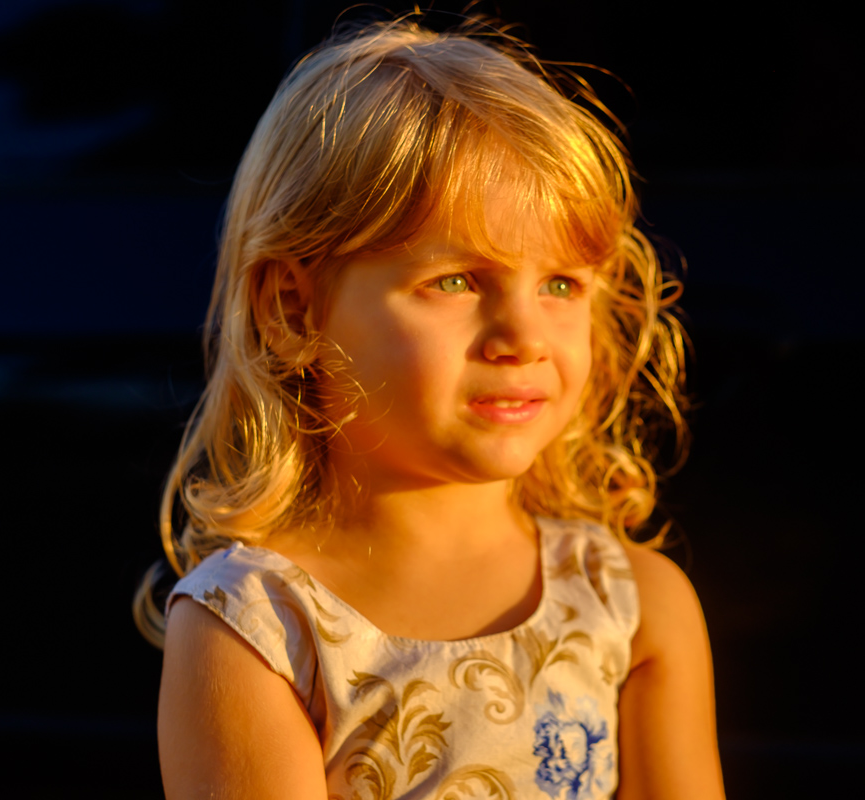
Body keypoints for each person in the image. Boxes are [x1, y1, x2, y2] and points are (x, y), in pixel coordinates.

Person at [134, 14, 725, 800]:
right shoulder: (255, 628)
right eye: (455, 281)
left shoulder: (635, 607)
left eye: (561, 284)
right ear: (293, 310)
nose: (522, 337)